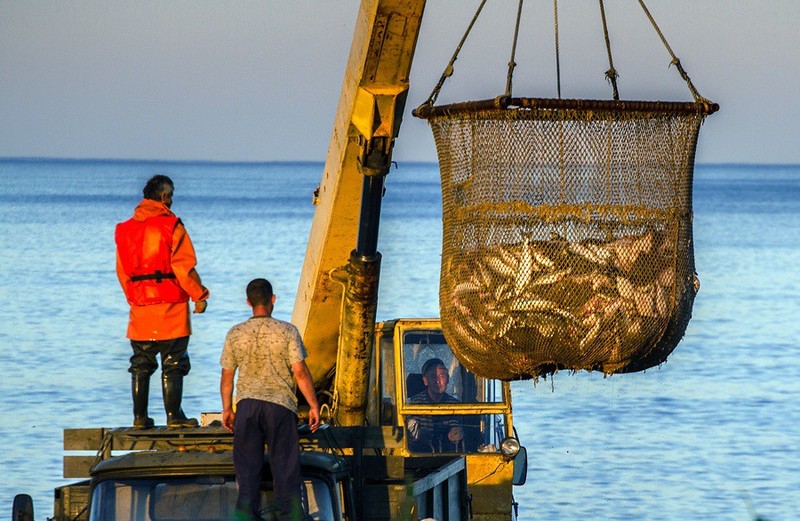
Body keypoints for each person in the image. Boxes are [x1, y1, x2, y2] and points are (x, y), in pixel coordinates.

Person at [219, 278, 321, 521]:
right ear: (273, 299)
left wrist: (226, 409)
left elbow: (227, 377)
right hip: (280, 408)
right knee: (286, 473)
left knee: (247, 473)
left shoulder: (235, 333)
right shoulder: (287, 331)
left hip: (246, 407)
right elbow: (300, 372)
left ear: (248, 302)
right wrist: (314, 405)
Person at [115, 174, 209, 429]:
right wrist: (199, 296)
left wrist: (134, 297)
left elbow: (122, 272)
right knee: (174, 363)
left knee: (141, 364)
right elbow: (183, 267)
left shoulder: (124, 230)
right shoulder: (171, 226)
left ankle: (139, 418)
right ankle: (174, 416)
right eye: (171, 196)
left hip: (140, 306)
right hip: (171, 305)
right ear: (165, 197)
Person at [406, 357, 464, 453]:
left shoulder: (455, 404)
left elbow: (456, 426)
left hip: (448, 455)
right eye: (433, 376)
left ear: (448, 379)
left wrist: (456, 433)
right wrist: (419, 435)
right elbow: (410, 431)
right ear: (425, 381)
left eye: (442, 376)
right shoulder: (414, 404)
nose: (438, 381)